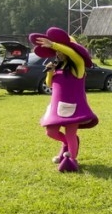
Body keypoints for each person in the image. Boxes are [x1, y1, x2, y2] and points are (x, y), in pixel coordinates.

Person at [29, 27, 99, 172]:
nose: (58, 53)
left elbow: (74, 54)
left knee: (70, 133)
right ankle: (68, 144)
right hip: (56, 108)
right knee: (51, 132)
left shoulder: (78, 67)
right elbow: (50, 85)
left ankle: (72, 159)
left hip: (72, 107)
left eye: (62, 50)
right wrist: (50, 73)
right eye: (57, 52)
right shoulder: (59, 67)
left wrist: (53, 44)